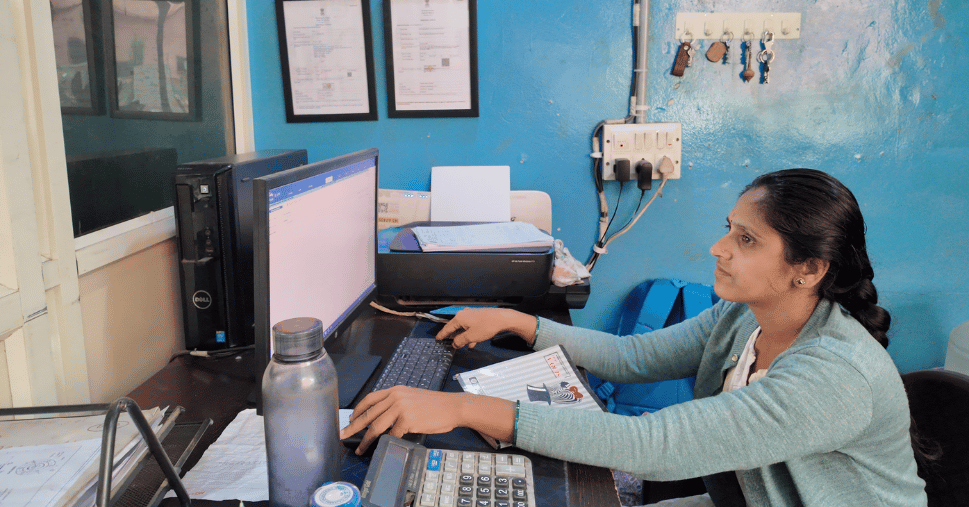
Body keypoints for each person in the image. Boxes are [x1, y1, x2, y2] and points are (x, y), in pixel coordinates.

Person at [340, 169, 929, 507]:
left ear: (809, 268)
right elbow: (633, 357)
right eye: (729, 229)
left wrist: (465, 408)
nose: (719, 248)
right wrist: (521, 323)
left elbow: (657, 446)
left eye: (746, 240)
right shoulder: (746, 317)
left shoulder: (834, 374)